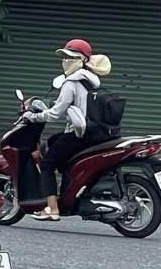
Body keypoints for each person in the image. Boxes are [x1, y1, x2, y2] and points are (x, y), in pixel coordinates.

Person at [26, 39, 112, 222]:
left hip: (78, 134)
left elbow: (55, 114)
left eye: (71, 58)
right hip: (93, 133)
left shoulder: (71, 83)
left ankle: (52, 208)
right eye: (64, 57)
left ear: (82, 60)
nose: (66, 61)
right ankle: (66, 193)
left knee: (47, 164)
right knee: (53, 142)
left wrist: (32, 117)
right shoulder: (91, 82)